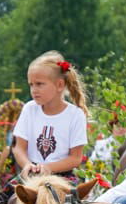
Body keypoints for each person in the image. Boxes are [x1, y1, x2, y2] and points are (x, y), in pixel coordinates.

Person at [11, 51, 88, 183]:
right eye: (31, 84)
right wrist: (27, 165)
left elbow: (75, 158)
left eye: (39, 84)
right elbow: (19, 147)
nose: (34, 90)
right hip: (31, 173)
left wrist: (48, 168)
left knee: (72, 201)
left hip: (62, 176)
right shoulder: (29, 109)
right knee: (3, 199)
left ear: (59, 85)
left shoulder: (75, 115)